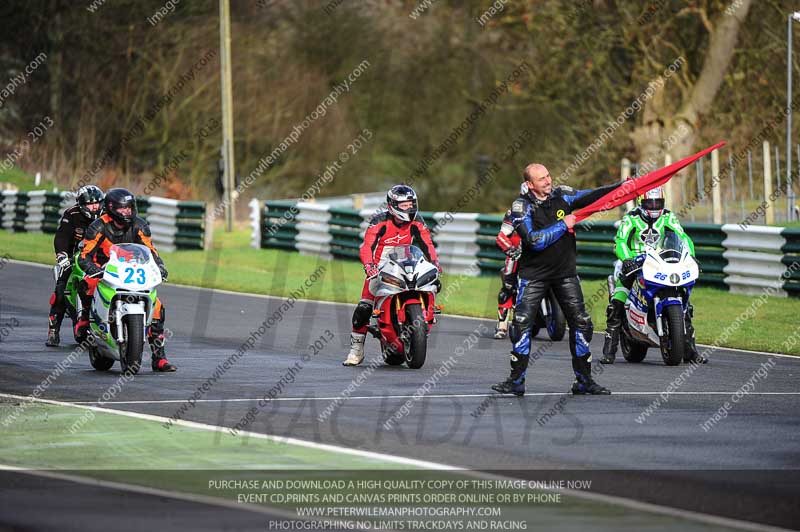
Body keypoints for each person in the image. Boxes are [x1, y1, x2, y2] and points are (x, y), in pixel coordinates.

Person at [492, 163, 626, 396]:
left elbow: (591, 195)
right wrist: (563, 225)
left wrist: (624, 186)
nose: (548, 181)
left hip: (565, 273)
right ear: (530, 184)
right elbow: (534, 241)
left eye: (548, 176)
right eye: (541, 179)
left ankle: (584, 381)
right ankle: (516, 382)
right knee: (521, 322)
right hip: (533, 275)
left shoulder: (562, 195)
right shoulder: (521, 206)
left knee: (582, 322)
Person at [600, 186, 706, 364]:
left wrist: (691, 256)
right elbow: (620, 241)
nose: (655, 206)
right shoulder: (630, 218)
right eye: (650, 202)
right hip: (633, 263)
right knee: (617, 303)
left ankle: (690, 351)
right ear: (641, 203)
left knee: (684, 302)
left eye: (658, 202)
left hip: (660, 262)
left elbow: (683, 237)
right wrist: (627, 259)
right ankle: (609, 351)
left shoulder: (668, 216)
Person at [76, 188, 177, 372]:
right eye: (122, 209)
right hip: (104, 271)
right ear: (111, 208)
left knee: (157, 309)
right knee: (87, 286)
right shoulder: (98, 226)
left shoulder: (139, 225)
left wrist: (160, 267)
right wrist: (94, 270)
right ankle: (84, 320)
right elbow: (84, 256)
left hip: (132, 272)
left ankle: (159, 358)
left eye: (129, 208)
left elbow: (151, 251)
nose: (126, 212)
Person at [342, 185, 440, 366]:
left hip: (407, 264)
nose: (409, 208)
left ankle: (425, 319)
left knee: (432, 284)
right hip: (380, 269)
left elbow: (427, 244)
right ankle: (356, 351)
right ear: (392, 206)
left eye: (411, 204)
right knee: (364, 309)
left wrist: (435, 262)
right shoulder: (379, 221)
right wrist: (370, 266)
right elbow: (366, 247)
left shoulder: (417, 221)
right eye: (403, 205)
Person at [46, 185, 105, 347]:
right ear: (81, 205)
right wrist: (62, 255)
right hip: (75, 257)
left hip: (102, 259)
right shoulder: (72, 214)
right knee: (61, 288)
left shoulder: (107, 215)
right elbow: (62, 237)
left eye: (97, 203)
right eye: (89, 204)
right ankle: (53, 329)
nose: (94, 207)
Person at [494, 184, 527, 339]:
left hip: (543, 256)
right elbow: (501, 236)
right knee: (508, 285)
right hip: (517, 254)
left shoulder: (549, 210)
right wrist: (511, 249)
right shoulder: (514, 213)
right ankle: (502, 326)